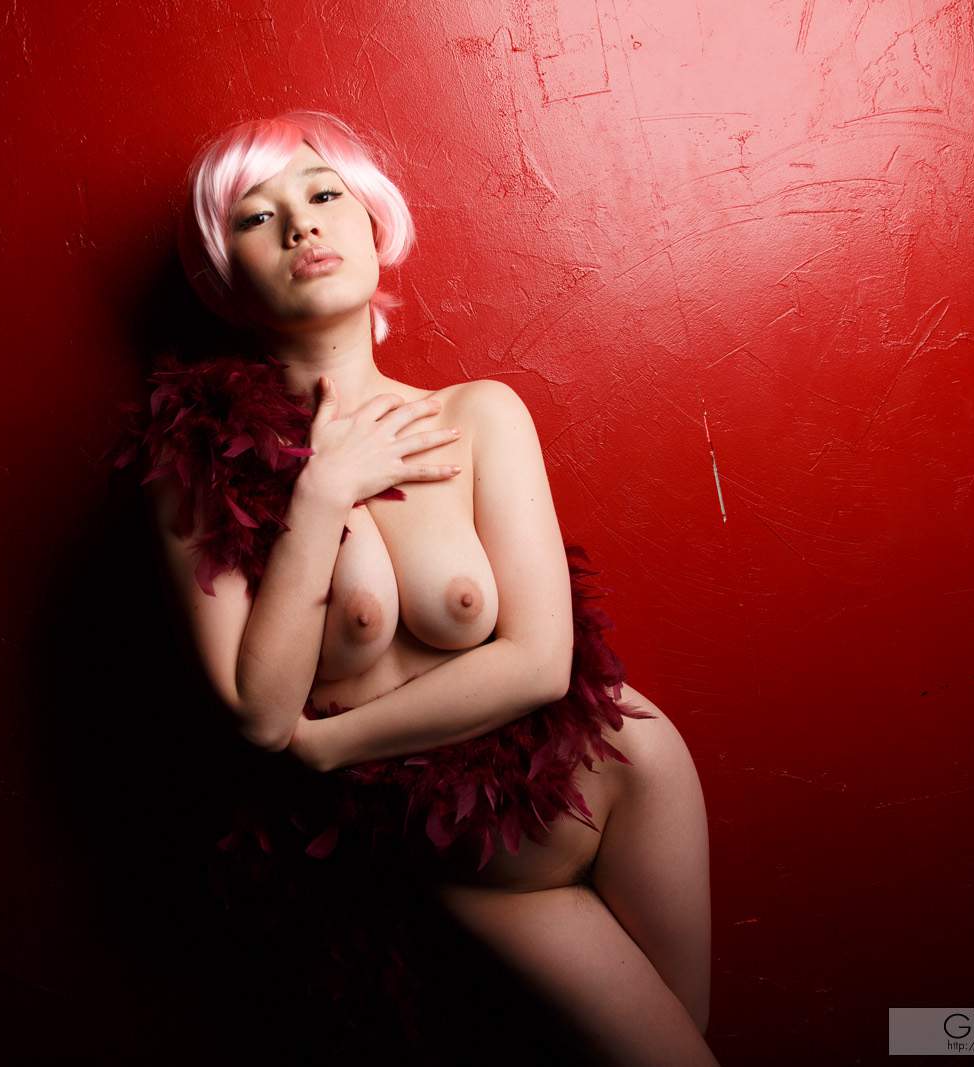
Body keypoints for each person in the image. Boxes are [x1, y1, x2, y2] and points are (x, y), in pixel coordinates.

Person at [113, 109, 717, 1065]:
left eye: (323, 194)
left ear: (371, 220)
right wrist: (323, 490)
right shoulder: (194, 458)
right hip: (450, 852)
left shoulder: (479, 416)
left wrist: (331, 743)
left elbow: (539, 662)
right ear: (223, 272)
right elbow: (260, 713)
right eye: (256, 217)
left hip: (626, 777)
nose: (302, 225)